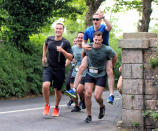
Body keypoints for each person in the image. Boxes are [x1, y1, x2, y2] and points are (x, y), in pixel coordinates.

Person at [72, 11, 116, 104]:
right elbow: (83, 42)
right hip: (92, 52)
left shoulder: (104, 27)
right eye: (93, 19)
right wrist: (84, 47)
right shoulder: (88, 30)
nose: (95, 21)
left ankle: (111, 94)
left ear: (100, 20)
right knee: (81, 67)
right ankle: (73, 89)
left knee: (109, 71)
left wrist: (103, 17)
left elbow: (110, 27)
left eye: (97, 19)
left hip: (104, 53)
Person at [82, 31, 117, 123]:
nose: (97, 41)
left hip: (101, 74)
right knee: (87, 94)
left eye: (99, 40)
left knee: (97, 96)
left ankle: (102, 106)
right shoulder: (88, 47)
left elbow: (115, 56)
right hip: (90, 73)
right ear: (93, 39)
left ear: (102, 40)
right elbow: (84, 53)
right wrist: (85, 62)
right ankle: (89, 115)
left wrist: (112, 65)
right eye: (95, 39)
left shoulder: (107, 49)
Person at [42, 23, 73, 117]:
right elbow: (45, 44)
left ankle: (56, 107)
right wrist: (43, 56)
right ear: (55, 29)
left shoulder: (66, 42)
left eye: (60, 29)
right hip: (49, 67)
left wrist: (63, 51)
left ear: (63, 31)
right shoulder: (49, 39)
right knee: (45, 85)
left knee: (57, 90)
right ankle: (47, 105)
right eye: (57, 28)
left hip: (60, 69)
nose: (58, 30)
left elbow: (71, 57)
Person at [65, 32, 86, 112]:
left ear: (84, 39)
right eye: (78, 37)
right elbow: (69, 58)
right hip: (74, 72)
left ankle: (83, 100)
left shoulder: (86, 48)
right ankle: (76, 106)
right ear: (77, 38)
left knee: (79, 90)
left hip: (83, 73)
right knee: (72, 91)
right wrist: (65, 65)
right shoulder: (73, 48)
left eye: (81, 37)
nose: (80, 39)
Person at [65, 37, 78, 107]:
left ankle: (82, 101)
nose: (75, 42)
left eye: (76, 41)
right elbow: (68, 60)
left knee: (79, 88)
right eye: (74, 41)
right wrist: (63, 66)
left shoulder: (82, 49)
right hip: (73, 68)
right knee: (67, 84)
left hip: (80, 69)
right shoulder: (71, 49)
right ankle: (72, 98)